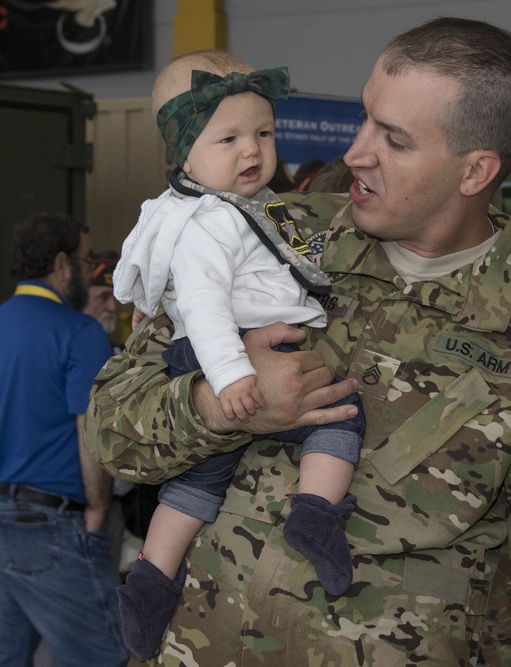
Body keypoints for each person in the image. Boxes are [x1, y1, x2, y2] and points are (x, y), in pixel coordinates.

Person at [86, 17, 511, 665]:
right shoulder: (261, 227)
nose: (358, 151)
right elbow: (110, 428)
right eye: (366, 119)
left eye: (393, 138)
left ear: (475, 171)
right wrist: (214, 404)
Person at [111, 50, 365, 660]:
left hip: (231, 355)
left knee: (199, 482)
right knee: (342, 411)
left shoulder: (248, 209)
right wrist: (231, 377)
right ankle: (316, 508)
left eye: (263, 133)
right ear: (184, 154)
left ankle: (152, 574)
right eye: (229, 138)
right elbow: (200, 305)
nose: (252, 151)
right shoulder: (209, 222)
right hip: (222, 356)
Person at [0, 212, 129, 667]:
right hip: (53, 525)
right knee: (105, 657)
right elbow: (89, 432)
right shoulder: (80, 331)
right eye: (85, 258)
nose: (88, 265)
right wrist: (96, 513)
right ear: (61, 264)